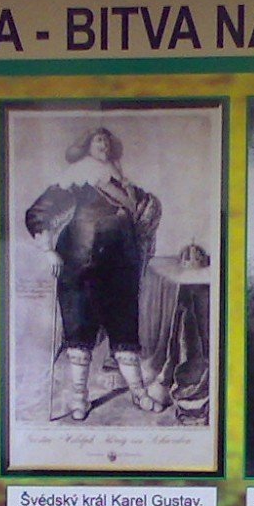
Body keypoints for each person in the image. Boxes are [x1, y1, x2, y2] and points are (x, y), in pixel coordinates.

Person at [24, 126, 163, 420]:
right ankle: (79, 399)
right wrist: (48, 248)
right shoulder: (77, 177)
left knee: (125, 328)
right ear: (87, 146)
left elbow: (146, 209)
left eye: (107, 140)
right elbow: (37, 212)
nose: (104, 145)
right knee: (80, 328)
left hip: (121, 265)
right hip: (80, 263)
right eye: (98, 140)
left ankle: (138, 393)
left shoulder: (122, 181)